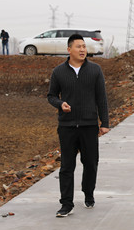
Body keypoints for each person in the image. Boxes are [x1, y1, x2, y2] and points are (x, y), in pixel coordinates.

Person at [47, 34, 110, 218]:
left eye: (84, 46)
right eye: (78, 46)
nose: (82, 50)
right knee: (67, 166)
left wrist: (105, 123)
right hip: (66, 126)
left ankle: (88, 193)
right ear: (69, 50)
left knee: (90, 163)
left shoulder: (95, 70)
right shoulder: (59, 72)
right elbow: (51, 96)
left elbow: (101, 98)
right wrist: (60, 104)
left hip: (89, 125)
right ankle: (66, 204)